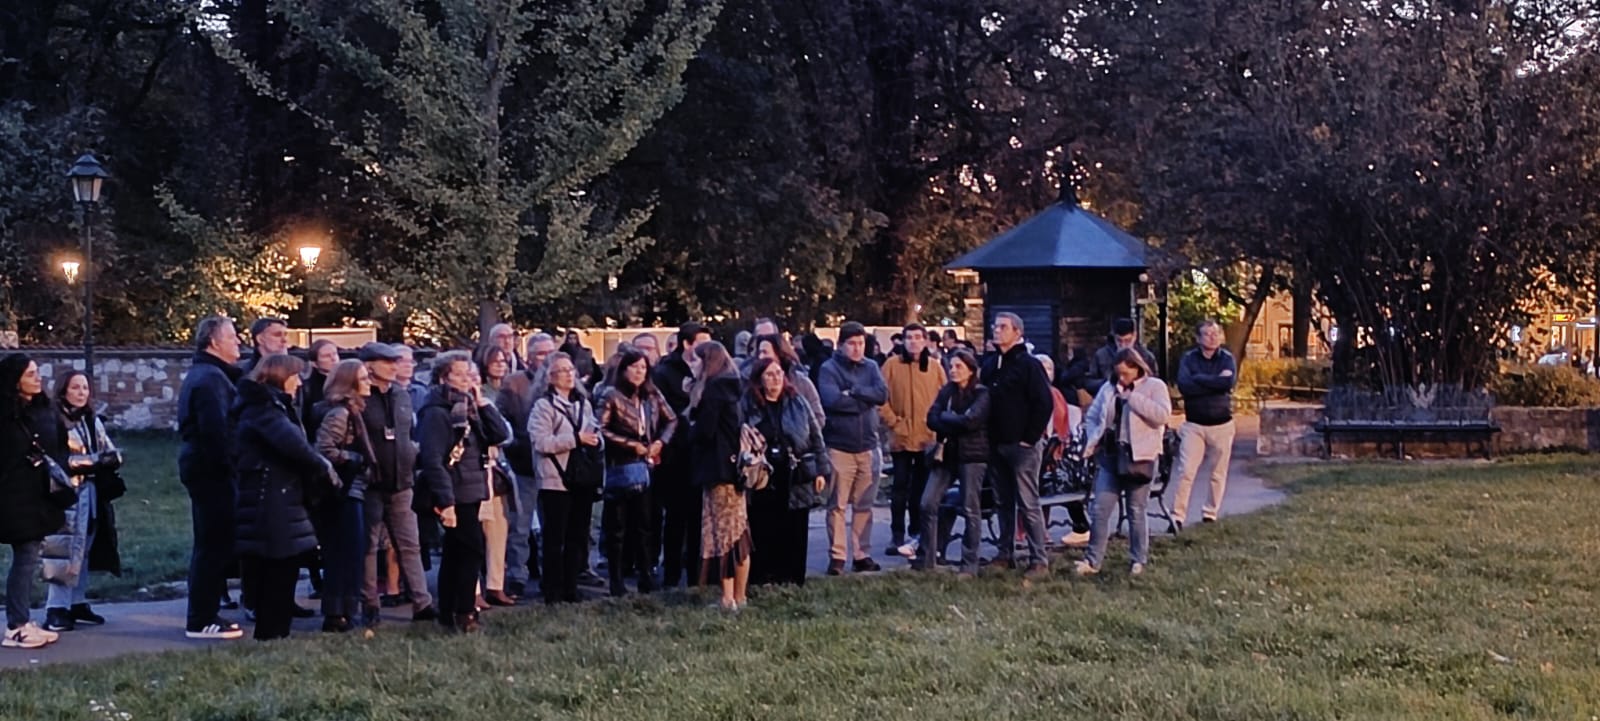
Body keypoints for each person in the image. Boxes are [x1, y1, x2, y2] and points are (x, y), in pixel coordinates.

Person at [232, 354, 339, 640]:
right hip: (270, 495)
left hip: (277, 492)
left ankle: (276, 631)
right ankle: (272, 633)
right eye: (295, 377)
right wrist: (324, 467)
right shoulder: (264, 410)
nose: (299, 383)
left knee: (283, 564)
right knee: (278, 565)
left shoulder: (270, 406)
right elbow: (294, 445)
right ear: (280, 377)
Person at [417, 351, 510, 631]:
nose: (466, 380)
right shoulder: (436, 412)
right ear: (443, 378)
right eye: (459, 374)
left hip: (473, 487)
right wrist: (446, 501)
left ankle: (449, 613)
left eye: (469, 374)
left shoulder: (470, 407)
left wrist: (483, 404)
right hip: (454, 489)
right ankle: (465, 611)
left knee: (456, 552)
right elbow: (432, 459)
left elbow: (500, 435)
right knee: (470, 550)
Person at [177, 316, 247, 640]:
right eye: (232, 337)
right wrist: (231, 466)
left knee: (212, 543)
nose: (238, 342)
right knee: (213, 543)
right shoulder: (210, 379)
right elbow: (216, 432)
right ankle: (201, 618)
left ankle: (204, 613)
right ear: (214, 342)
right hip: (211, 471)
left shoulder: (210, 375)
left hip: (204, 467)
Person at [356, 342, 436, 626]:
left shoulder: (402, 395)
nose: (394, 366)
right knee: (368, 546)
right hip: (371, 483)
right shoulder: (360, 397)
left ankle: (422, 603)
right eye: (387, 362)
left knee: (410, 544)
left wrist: (412, 455)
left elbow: (408, 434)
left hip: (402, 481)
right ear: (369, 366)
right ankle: (370, 604)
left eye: (396, 361)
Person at [1076, 348, 1171, 576]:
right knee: (1100, 509)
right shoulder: (1109, 388)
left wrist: (1133, 398)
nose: (1122, 378)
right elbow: (1093, 414)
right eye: (1118, 373)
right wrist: (1094, 436)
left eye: (1126, 373)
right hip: (1111, 455)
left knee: (1136, 509)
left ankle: (1138, 559)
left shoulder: (1154, 386)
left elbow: (1162, 415)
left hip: (1140, 457)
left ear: (1137, 368)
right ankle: (1092, 561)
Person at [41, 370, 124, 632]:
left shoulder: (91, 419)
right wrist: (96, 461)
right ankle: (56, 608)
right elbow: (57, 460)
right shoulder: (54, 420)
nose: (81, 393)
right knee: (62, 550)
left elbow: (108, 449)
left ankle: (77, 602)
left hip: (90, 492)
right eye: (75, 387)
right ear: (63, 390)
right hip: (65, 493)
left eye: (85, 388)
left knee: (85, 547)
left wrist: (111, 458)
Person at [979, 312, 1054, 579]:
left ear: (1017, 333)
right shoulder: (991, 364)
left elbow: (1044, 402)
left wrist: (1030, 437)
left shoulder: (1028, 365)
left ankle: (1038, 559)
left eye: (1003, 327)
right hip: (996, 443)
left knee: (1027, 502)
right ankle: (1004, 553)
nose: (997, 330)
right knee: (1003, 502)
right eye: (995, 326)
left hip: (1022, 446)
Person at [743, 357, 830, 587]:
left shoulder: (797, 401)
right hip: (762, 474)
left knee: (794, 526)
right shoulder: (749, 404)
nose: (775, 379)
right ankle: (763, 577)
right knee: (763, 525)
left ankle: (791, 578)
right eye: (769, 374)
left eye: (779, 373)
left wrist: (821, 470)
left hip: (795, 472)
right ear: (759, 378)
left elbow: (815, 436)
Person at [597, 348, 676, 596]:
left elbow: (672, 419)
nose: (639, 372)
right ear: (624, 370)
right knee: (617, 527)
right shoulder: (611, 395)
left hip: (646, 465)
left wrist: (660, 441)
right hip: (620, 464)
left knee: (645, 523)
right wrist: (632, 445)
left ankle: (646, 575)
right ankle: (616, 579)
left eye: (643, 367)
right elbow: (601, 428)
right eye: (634, 367)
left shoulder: (652, 394)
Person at [1, 355, 65, 649]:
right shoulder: (6, 416)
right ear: (14, 380)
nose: (37, 378)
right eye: (30, 374)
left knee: (28, 555)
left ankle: (21, 621)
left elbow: (57, 445)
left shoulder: (43, 410)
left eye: (37, 372)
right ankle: (16, 626)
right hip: (12, 496)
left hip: (35, 496)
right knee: (25, 557)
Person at [310, 359, 378, 632]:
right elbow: (324, 449)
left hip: (353, 488)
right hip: (343, 490)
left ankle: (346, 610)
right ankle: (336, 612)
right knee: (343, 552)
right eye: (363, 378)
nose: (369, 382)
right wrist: (355, 459)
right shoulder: (340, 413)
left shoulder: (355, 411)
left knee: (351, 551)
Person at [529, 352, 602, 604]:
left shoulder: (583, 403)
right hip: (555, 479)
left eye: (571, 369)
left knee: (577, 535)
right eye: (562, 370)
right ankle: (552, 589)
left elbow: (593, 430)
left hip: (581, 477)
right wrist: (576, 439)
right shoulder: (543, 406)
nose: (569, 375)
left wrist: (596, 441)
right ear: (549, 377)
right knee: (554, 538)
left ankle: (571, 587)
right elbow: (541, 442)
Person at [817, 321, 889, 575]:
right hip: (840, 446)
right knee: (837, 505)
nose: (858, 348)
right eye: (852, 344)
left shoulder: (871, 367)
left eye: (861, 343)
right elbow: (832, 400)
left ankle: (861, 554)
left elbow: (882, 395)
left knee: (864, 504)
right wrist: (864, 400)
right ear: (841, 345)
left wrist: (855, 391)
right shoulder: (829, 369)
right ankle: (837, 556)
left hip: (868, 444)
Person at [686, 342, 749, 609]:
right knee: (739, 532)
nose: (693, 365)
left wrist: (691, 424)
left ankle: (727, 598)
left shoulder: (714, 390)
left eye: (696, 360)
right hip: (734, 470)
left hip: (717, 469)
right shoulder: (734, 388)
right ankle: (740, 596)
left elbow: (705, 431)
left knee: (722, 534)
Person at [652, 322, 712, 588]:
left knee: (698, 516)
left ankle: (697, 574)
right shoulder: (665, 373)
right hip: (675, 455)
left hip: (700, 454)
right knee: (676, 517)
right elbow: (665, 412)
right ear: (687, 344)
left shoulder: (709, 371)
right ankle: (672, 573)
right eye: (702, 343)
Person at [497, 332, 556, 597]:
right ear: (530, 357)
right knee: (520, 525)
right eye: (541, 353)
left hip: (555, 465)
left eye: (550, 352)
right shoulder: (514, 383)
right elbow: (502, 422)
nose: (547, 358)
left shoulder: (560, 380)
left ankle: (551, 574)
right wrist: (521, 444)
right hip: (524, 464)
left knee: (552, 524)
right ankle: (517, 575)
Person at [879, 323, 946, 555]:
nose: (914, 342)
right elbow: (881, 398)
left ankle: (917, 534)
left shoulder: (935, 367)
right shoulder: (891, 365)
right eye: (909, 338)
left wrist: (937, 425)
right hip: (901, 437)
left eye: (918, 337)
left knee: (921, 489)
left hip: (927, 438)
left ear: (925, 341)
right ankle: (896, 535)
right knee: (899, 488)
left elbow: (944, 397)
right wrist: (893, 422)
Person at [921, 349, 989, 575]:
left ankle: (969, 563)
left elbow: (971, 421)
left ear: (970, 370)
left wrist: (947, 418)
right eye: (951, 366)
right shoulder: (946, 391)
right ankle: (928, 557)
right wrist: (951, 420)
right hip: (946, 454)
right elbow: (931, 418)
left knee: (970, 509)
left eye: (959, 366)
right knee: (928, 502)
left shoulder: (981, 393)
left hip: (972, 456)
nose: (953, 370)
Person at [1171, 320, 1238, 528]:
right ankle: (1177, 516)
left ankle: (1210, 513)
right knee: (1186, 471)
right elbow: (1185, 386)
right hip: (1195, 424)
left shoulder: (1227, 359)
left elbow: (1227, 383)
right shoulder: (1189, 359)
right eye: (1207, 334)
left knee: (1218, 472)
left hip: (1222, 423)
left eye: (1215, 333)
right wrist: (1214, 382)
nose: (1212, 337)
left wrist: (1199, 378)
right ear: (1198, 338)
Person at [1037, 354, 1090, 547]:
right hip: (1044, 452)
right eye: (1042, 368)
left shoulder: (1058, 394)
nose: (1046, 373)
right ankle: (1041, 531)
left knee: (1059, 480)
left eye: (1049, 368)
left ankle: (1079, 526)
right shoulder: (1039, 393)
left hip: (1055, 453)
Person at [749, 334, 824, 425]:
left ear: (779, 353)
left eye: (765, 352)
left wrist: (798, 428)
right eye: (759, 353)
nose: (760, 357)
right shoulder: (753, 385)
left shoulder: (802, 383)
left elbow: (819, 418)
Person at [1085, 318, 1160, 396]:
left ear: (1135, 336)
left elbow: (1155, 382)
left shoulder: (1146, 356)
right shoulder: (1101, 355)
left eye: (1127, 341)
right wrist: (1108, 383)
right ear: (1114, 337)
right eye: (1119, 341)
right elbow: (1089, 382)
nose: (1123, 345)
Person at [302, 339, 340, 422]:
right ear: (314, 363)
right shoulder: (309, 387)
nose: (333, 358)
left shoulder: (347, 379)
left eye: (335, 353)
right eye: (326, 356)